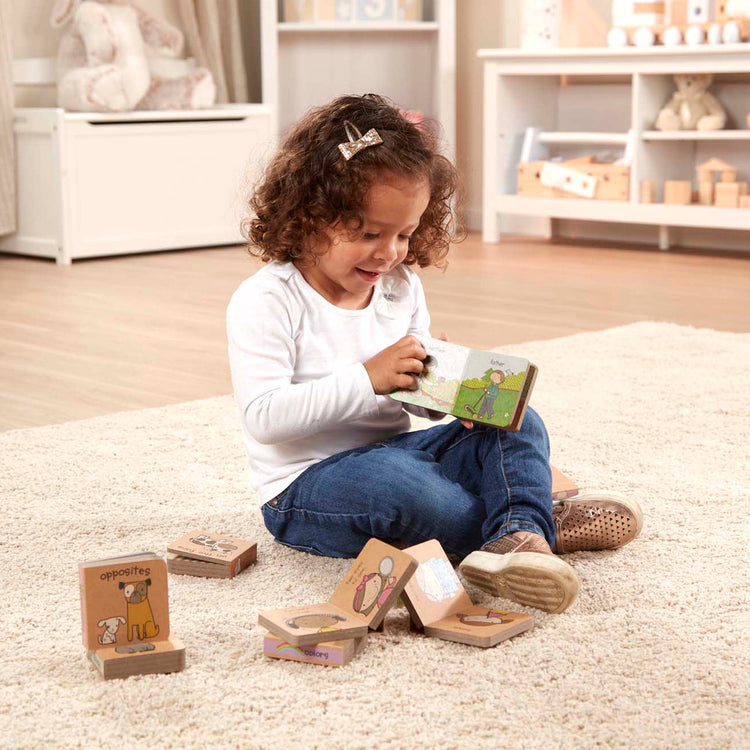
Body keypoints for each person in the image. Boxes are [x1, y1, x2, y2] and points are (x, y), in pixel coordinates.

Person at [227, 94, 642, 614]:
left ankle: (516, 535)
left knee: (517, 420)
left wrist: (441, 389)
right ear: (310, 215)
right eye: (370, 234)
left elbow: (416, 407)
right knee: (414, 491)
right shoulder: (266, 300)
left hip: (402, 452)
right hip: (305, 487)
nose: (390, 252)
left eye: (404, 233)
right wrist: (369, 378)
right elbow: (264, 419)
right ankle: (537, 522)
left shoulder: (400, 286)